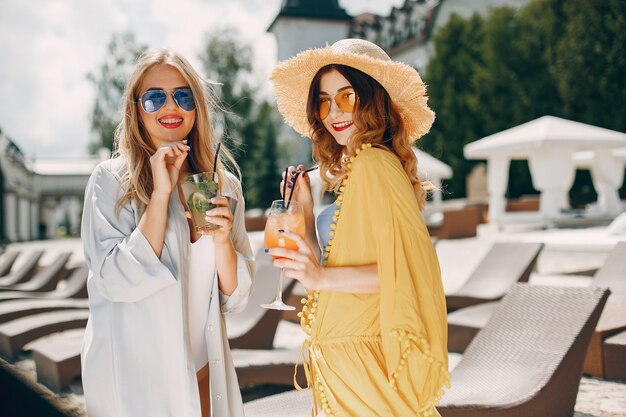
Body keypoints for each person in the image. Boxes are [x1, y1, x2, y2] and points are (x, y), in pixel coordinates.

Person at [269, 39, 449, 416]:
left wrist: (318, 278)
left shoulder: (374, 165)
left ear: (373, 100)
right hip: (345, 368)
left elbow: (402, 274)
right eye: (323, 100)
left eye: (347, 97)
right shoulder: (360, 170)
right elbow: (331, 273)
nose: (334, 111)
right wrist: (303, 212)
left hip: (366, 369)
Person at [81, 48, 254, 417]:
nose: (170, 107)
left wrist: (223, 242)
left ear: (197, 106)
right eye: (155, 97)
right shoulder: (110, 180)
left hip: (204, 372)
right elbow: (114, 280)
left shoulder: (224, 186)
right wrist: (160, 195)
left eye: (183, 95)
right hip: (134, 382)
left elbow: (237, 299)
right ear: (136, 108)